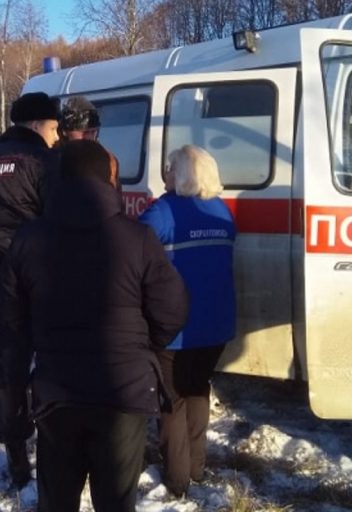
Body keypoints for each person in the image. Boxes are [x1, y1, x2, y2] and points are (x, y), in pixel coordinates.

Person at [0, 139, 189, 511]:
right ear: (107, 179)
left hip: (56, 396)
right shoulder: (138, 238)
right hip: (123, 393)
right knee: (116, 502)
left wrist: (15, 403)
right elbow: (173, 310)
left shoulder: (27, 240)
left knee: (56, 502)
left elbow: (12, 331)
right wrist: (142, 345)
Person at [0, 91, 59, 487]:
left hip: (4, 279)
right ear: (37, 124)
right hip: (46, 277)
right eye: (54, 127)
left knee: (12, 363)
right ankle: (56, 438)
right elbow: (59, 223)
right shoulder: (46, 162)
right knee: (54, 359)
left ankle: (16, 454)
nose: (57, 135)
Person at [138, 144, 237, 497]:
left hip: (176, 329)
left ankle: (177, 480)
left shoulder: (162, 212)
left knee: (172, 400)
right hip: (216, 327)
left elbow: (134, 252)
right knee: (197, 389)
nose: (164, 173)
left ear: (178, 175)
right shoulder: (222, 212)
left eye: (168, 168)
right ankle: (197, 466)